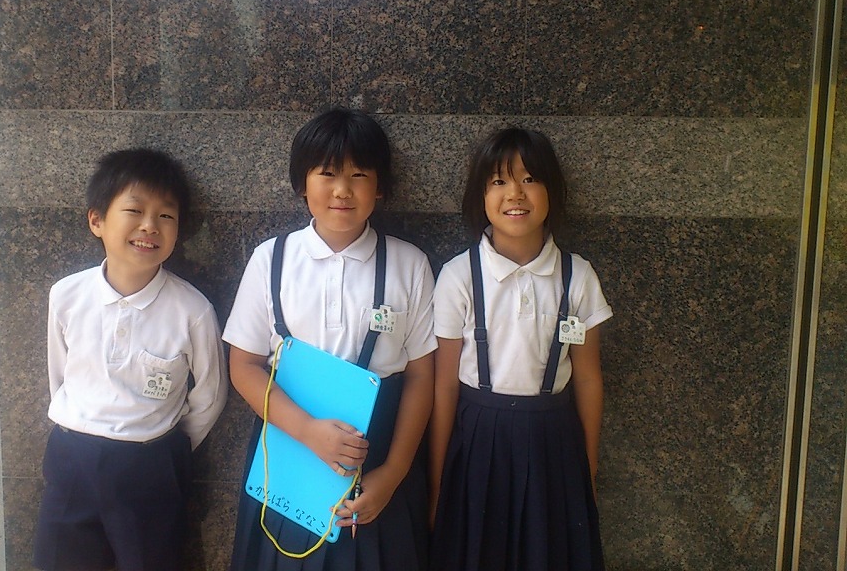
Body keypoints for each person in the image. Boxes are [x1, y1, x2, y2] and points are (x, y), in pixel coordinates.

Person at [224, 108, 436, 571]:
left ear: (380, 187)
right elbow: (242, 365)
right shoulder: (271, 259)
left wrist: (393, 472)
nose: (342, 190)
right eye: (327, 173)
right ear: (302, 182)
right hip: (289, 448)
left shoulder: (409, 264)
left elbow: (422, 375)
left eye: (359, 175)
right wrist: (306, 431)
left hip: (379, 452)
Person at [33, 148, 227, 571]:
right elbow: (60, 373)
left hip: (150, 466)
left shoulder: (192, 310)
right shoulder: (67, 295)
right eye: (134, 210)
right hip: (72, 458)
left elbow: (210, 394)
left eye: (165, 216)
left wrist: (165, 444)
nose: (149, 226)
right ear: (97, 220)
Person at [429, 128, 611, 571]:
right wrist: (436, 483)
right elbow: (444, 385)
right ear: (480, 196)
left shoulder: (578, 276)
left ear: (553, 191)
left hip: (553, 440)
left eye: (530, 179)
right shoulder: (459, 275)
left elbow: (588, 379)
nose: (515, 194)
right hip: (478, 438)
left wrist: (587, 470)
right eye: (498, 181)